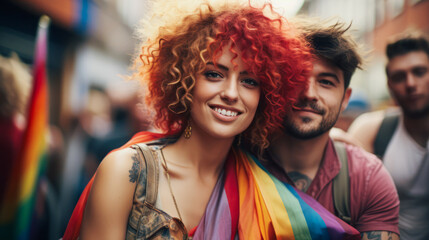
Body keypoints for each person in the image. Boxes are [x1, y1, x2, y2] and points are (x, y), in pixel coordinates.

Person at [63, 2, 361, 239]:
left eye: (249, 81)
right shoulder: (126, 171)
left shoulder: (263, 182)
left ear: (266, 96)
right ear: (183, 81)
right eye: (214, 74)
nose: (231, 93)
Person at [261, 19, 400, 240]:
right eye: (297, 77)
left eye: (326, 82)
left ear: (345, 99)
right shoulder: (238, 156)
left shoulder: (367, 178)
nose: (309, 93)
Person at [348, 33, 429, 239]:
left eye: (419, 72)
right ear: (390, 86)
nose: (410, 83)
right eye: (399, 76)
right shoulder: (371, 130)